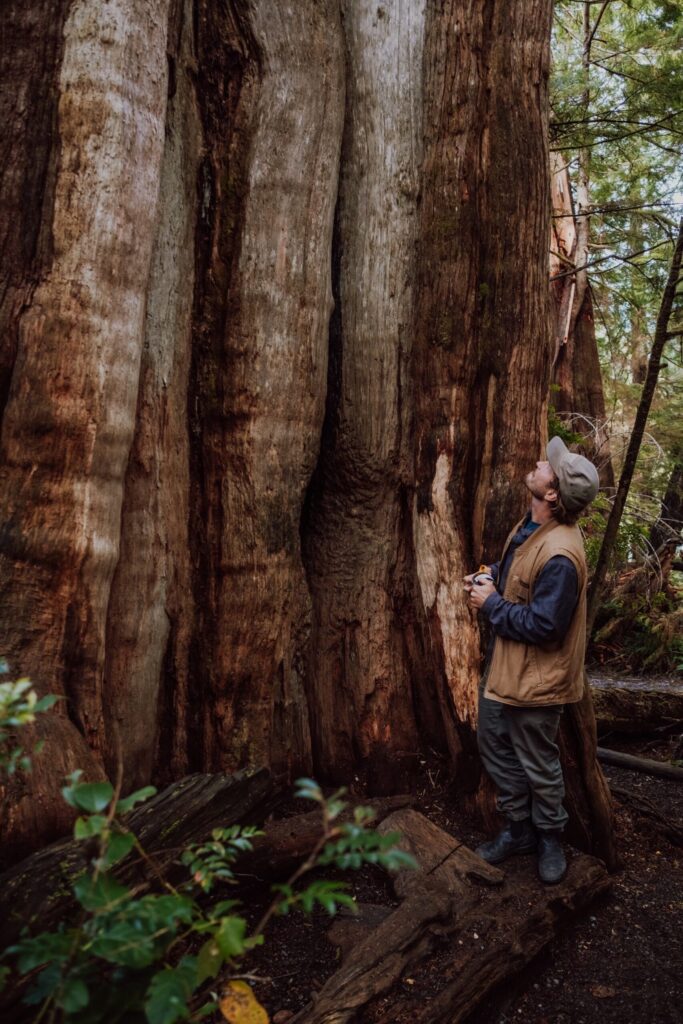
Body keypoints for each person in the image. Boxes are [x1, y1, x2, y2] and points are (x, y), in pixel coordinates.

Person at [465, 436, 599, 884]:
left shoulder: (561, 554)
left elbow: (546, 626)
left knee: (539, 764)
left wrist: (491, 606)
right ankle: (517, 830)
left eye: (550, 466)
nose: (542, 461)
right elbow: (522, 576)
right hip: (505, 669)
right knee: (495, 747)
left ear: (553, 493)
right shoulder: (531, 525)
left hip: (539, 680)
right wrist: (492, 578)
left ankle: (549, 838)